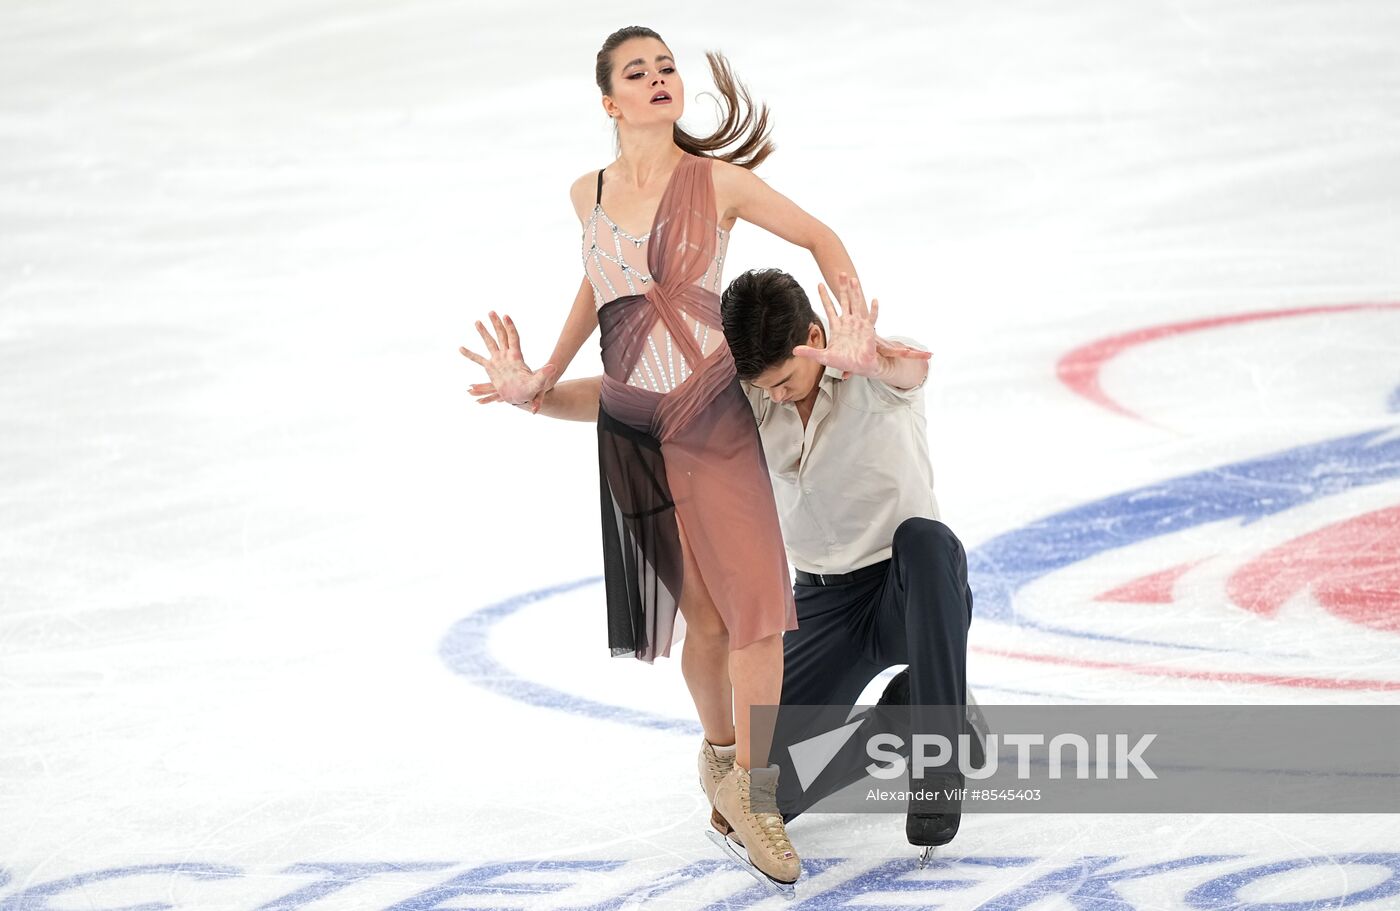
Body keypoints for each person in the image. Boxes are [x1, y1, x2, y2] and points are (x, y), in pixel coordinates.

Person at [458, 25, 881, 894]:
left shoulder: (716, 182)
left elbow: (821, 235)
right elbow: (599, 279)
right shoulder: (591, 192)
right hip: (633, 426)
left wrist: (850, 325)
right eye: (637, 73)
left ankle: (759, 795)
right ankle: (720, 759)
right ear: (609, 102)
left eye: (666, 67)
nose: (659, 80)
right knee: (708, 623)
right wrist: (542, 375)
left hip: (713, 415)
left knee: (759, 610)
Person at [466, 269, 976, 861]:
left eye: (784, 380)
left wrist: (878, 361)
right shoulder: (750, 398)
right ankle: (895, 724)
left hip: (909, 590)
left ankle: (941, 766)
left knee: (928, 541)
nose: (777, 395)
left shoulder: (876, 375)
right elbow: (628, 403)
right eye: (765, 386)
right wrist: (537, 395)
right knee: (754, 800)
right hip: (820, 603)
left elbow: (909, 366)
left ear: (812, 336)